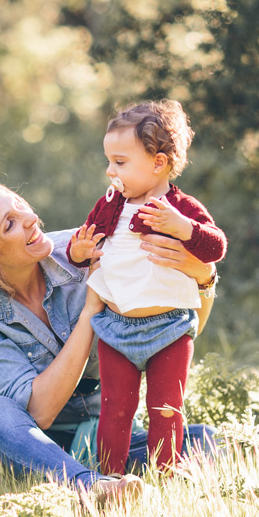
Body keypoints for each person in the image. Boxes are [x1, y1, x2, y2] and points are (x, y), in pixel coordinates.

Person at [0, 172, 219, 502]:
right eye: (9, 224)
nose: (30, 218)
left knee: (210, 440)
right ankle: (92, 487)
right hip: (24, 447)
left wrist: (204, 276)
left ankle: (103, 479)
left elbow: (178, 330)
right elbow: (40, 412)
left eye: (19, 204)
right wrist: (90, 312)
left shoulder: (86, 249)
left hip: (101, 437)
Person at [67, 100, 226, 476]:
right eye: (109, 161)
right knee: (115, 409)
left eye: (120, 162)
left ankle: (165, 476)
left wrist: (183, 228)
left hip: (169, 327)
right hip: (115, 327)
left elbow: (215, 247)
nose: (110, 171)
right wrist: (79, 251)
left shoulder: (179, 207)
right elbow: (81, 248)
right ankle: (110, 479)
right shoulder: (109, 205)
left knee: (166, 409)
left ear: (158, 163)